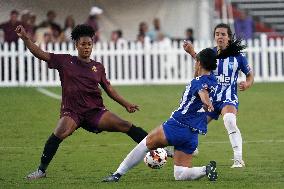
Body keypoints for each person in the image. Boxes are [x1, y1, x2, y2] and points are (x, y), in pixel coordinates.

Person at [15, 24, 150, 180]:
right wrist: (26, 38)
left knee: (125, 125)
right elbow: (40, 53)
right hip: (72, 111)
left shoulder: (97, 67)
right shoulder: (65, 61)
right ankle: (41, 170)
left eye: (89, 44)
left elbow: (109, 89)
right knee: (59, 133)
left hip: (95, 111)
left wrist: (126, 104)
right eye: (83, 44)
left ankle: (157, 148)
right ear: (76, 45)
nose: (86, 47)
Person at [103, 48, 219, 182]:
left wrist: (207, 102)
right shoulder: (213, 80)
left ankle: (117, 174)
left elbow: (202, 92)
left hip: (177, 125)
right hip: (192, 133)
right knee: (180, 174)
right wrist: (192, 53)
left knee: (144, 145)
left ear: (199, 63)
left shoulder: (198, 83)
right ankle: (206, 169)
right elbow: (203, 85)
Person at [183, 23, 254, 168]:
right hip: (210, 99)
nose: (219, 37)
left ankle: (238, 159)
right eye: (217, 34)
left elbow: (250, 75)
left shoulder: (238, 57)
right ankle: (192, 148)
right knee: (193, 124)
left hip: (228, 98)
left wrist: (247, 84)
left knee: (229, 120)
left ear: (228, 37)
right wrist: (192, 52)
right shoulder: (210, 53)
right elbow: (200, 63)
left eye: (223, 34)